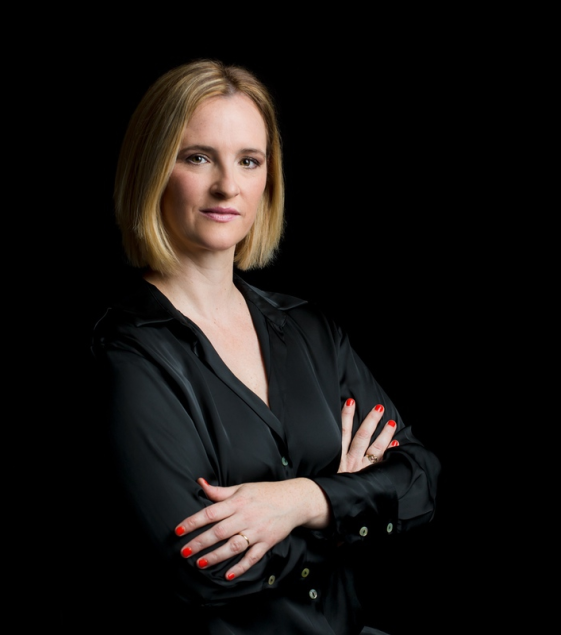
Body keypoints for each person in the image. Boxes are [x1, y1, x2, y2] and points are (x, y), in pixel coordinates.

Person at [90, 58, 441, 634]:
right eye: (197, 157)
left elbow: (421, 479)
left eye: (249, 161)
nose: (228, 185)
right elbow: (207, 568)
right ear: (153, 168)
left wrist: (302, 501)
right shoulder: (125, 356)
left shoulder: (310, 330)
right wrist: (350, 502)